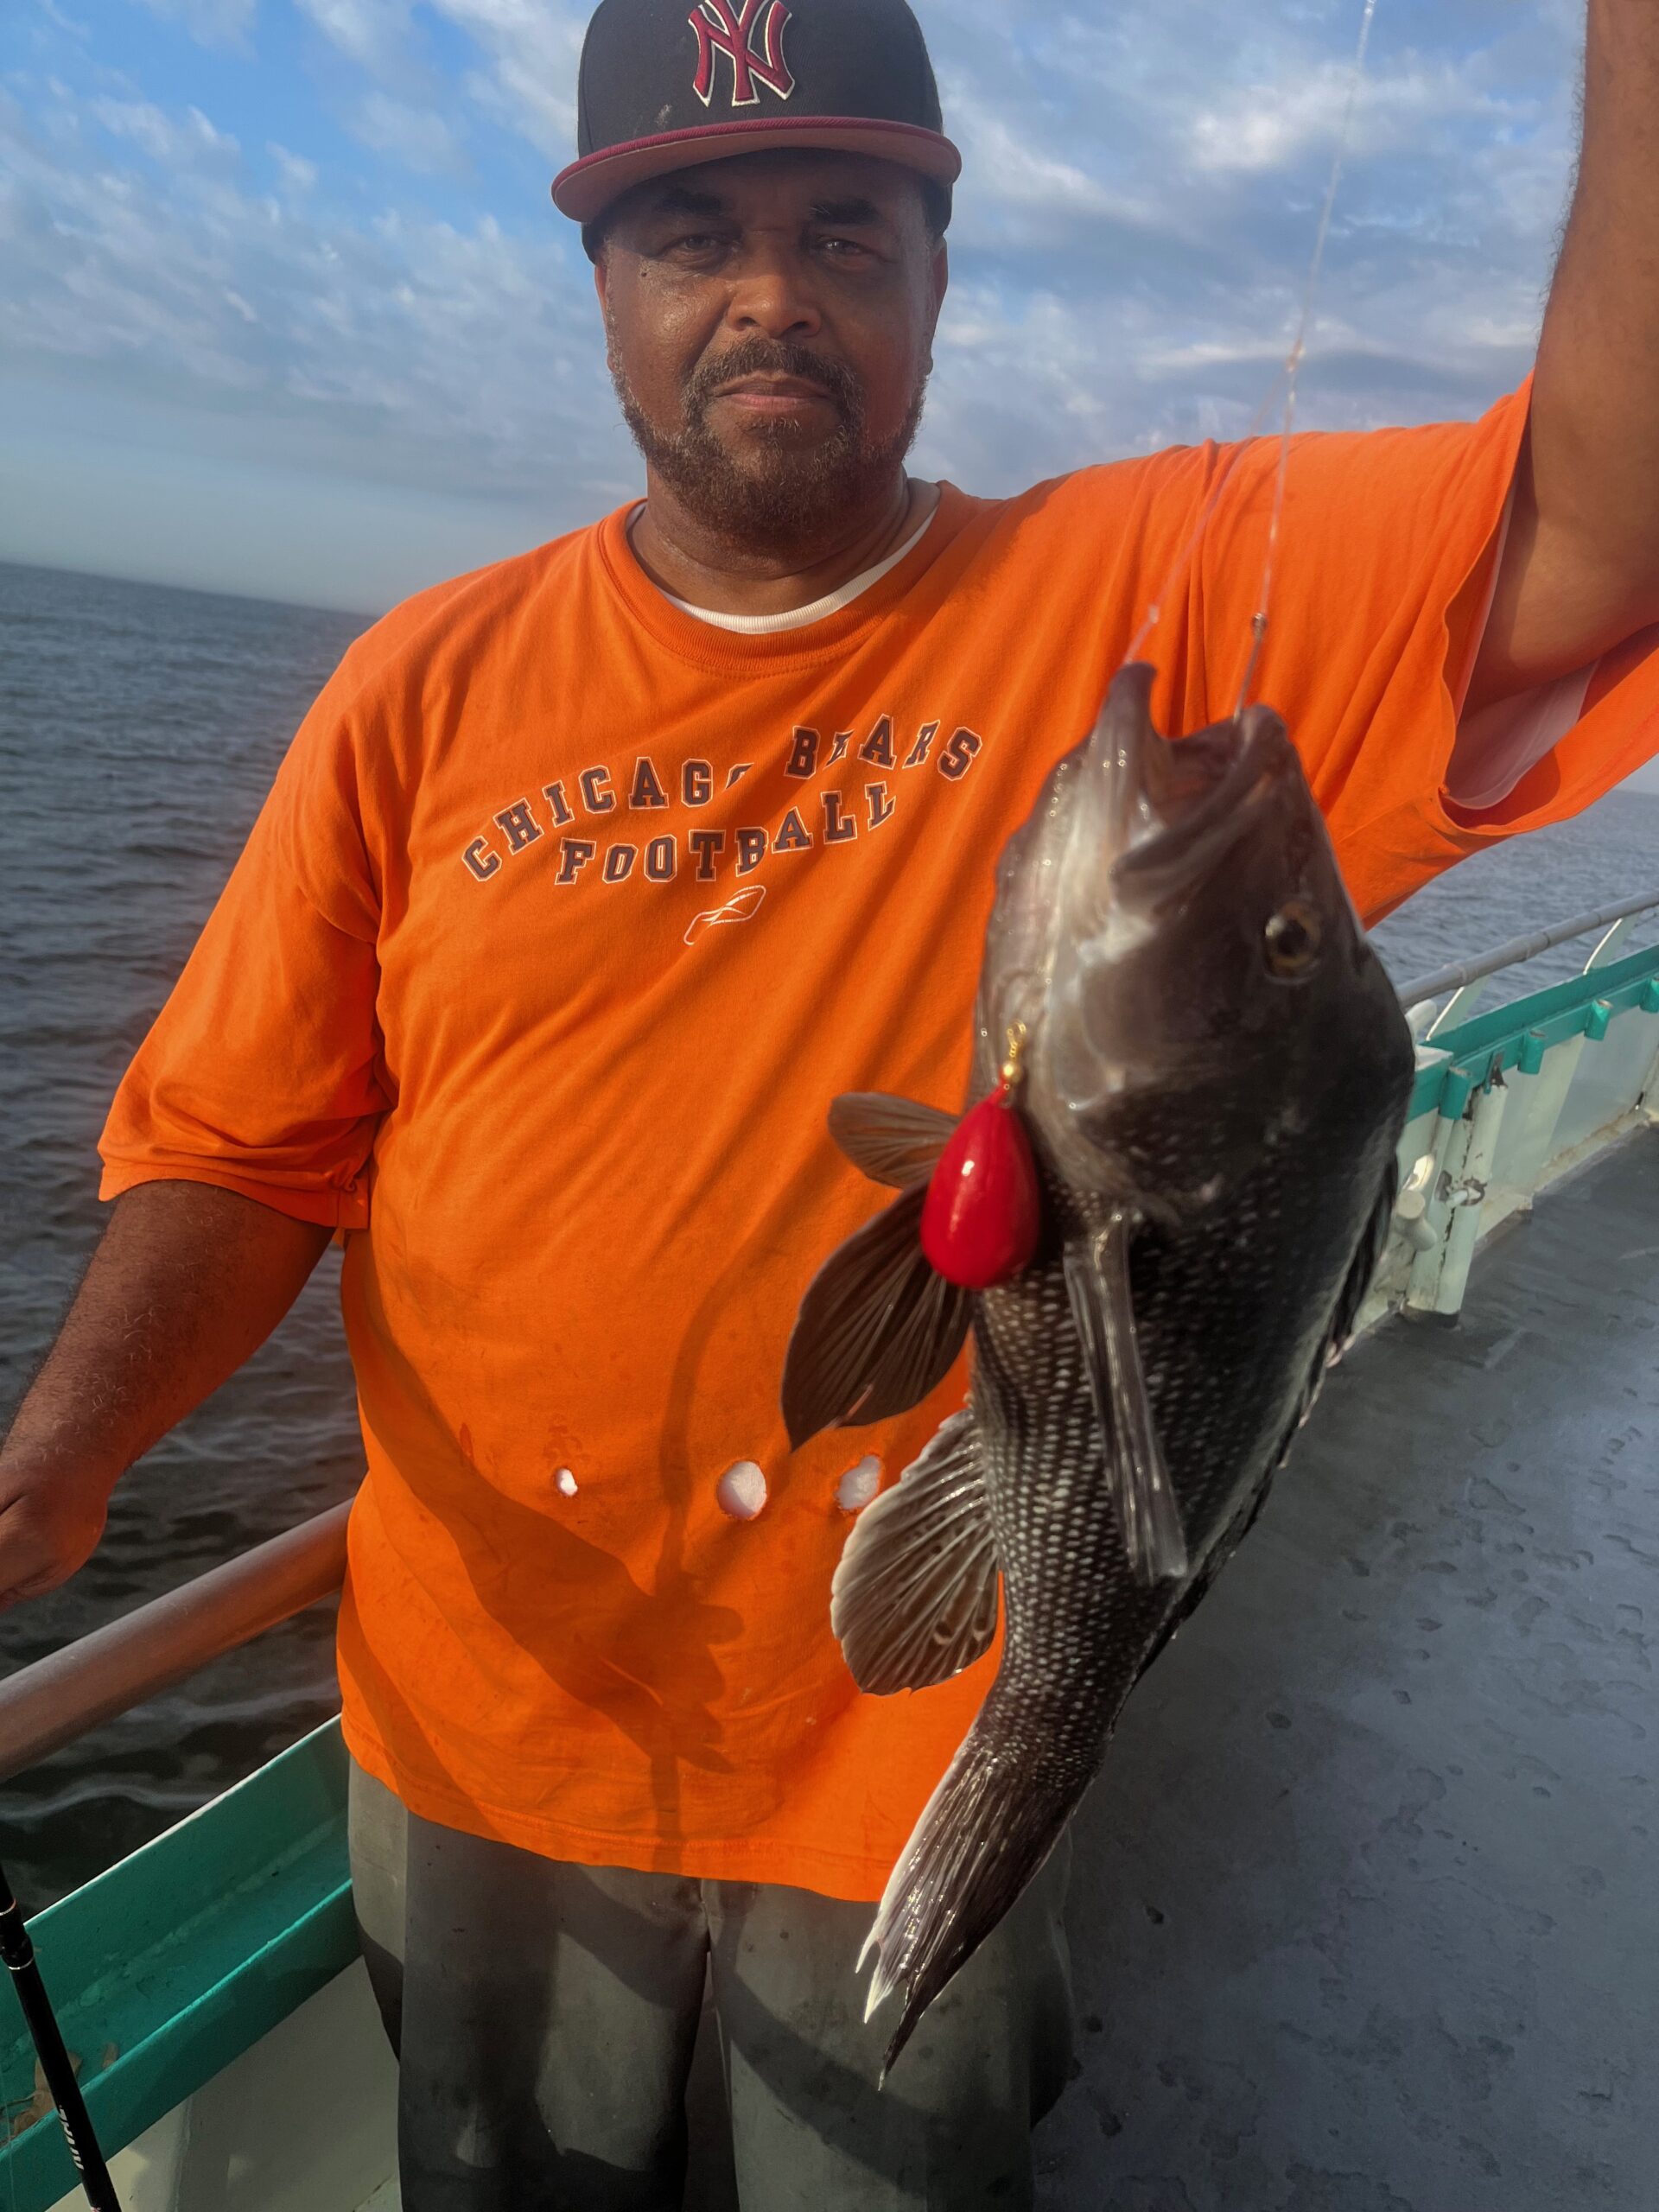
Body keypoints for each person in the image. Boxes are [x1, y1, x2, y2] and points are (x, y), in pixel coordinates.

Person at [4, 0, 1659, 2202]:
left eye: (847, 232)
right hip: (486, 1723)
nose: (773, 290)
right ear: (604, 289)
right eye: (695, 232)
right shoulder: (419, 681)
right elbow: (243, 1142)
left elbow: (1603, 518)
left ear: (938, 277)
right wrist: (62, 1455)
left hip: (912, 1722)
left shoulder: (1145, 589)